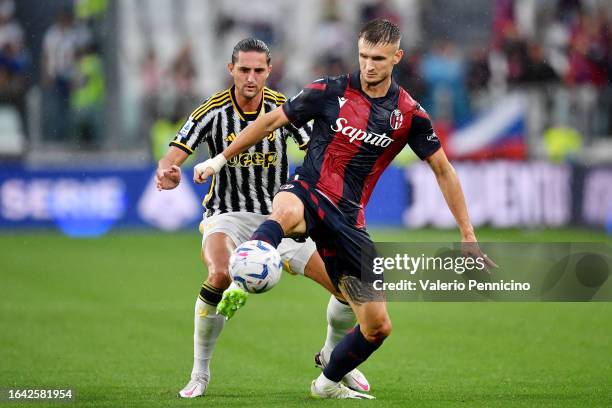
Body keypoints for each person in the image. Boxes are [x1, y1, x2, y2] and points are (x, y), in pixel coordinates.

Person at [194, 20, 496, 400]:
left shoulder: (409, 115)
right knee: (285, 210)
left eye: (379, 59)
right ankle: (248, 269)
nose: (369, 66)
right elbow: (271, 121)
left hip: (349, 220)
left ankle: (327, 381)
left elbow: (443, 170)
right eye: (364, 56)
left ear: (397, 58)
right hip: (309, 191)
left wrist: (468, 234)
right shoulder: (329, 90)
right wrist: (220, 160)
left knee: (377, 327)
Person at [156, 38, 370, 398]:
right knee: (219, 275)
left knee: (350, 289)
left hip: (280, 218)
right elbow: (172, 156)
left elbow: (314, 150)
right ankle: (200, 373)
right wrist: (168, 172)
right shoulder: (212, 111)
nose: (251, 78)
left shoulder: (283, 108)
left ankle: (332, 355)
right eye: (244, 70)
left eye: (258, 70)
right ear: (231, 70)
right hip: (227, 216)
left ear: (269, 71)